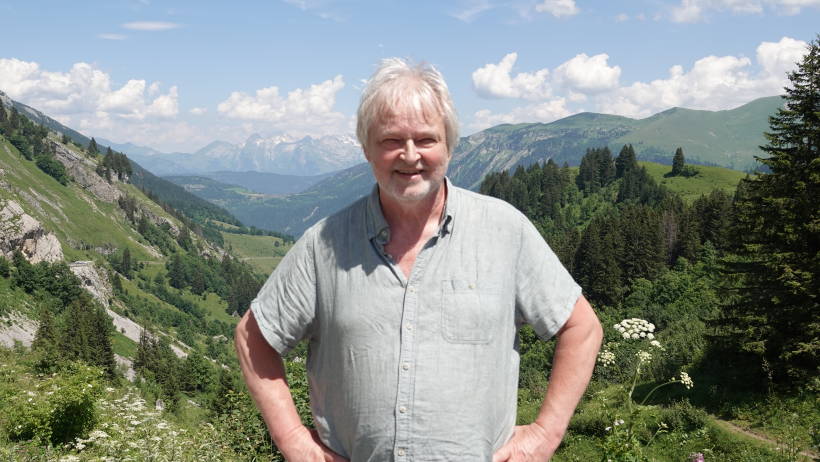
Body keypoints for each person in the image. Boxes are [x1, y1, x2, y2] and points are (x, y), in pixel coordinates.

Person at [235, 58, 603, 462]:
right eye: (391, 140)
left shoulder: (505, 230)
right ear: (366, 149)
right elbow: (253, 337)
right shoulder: (324, 244)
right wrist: (292, 439)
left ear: (449, 146)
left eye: (426, 139)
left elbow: (582, 327)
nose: (410, 156)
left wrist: (545, 433)